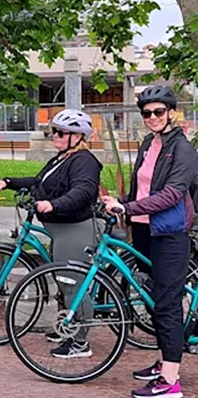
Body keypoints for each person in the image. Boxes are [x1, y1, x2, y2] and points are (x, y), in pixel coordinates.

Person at [103, 86, 196, 398]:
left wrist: (127, 208)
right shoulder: (148, 143)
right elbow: (143, 190)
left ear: (171, 112)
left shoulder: (183, 149)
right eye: (147, 113)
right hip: (143, 231)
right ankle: (163, 361)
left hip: (169, 234)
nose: (152, 117)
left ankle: (171, 383)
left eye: (158, 111)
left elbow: (170, 195)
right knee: (152, 298)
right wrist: (121, 201)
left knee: (168, 304)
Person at [0, 109, 102, 358]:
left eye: (62, 133)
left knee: (74, 284)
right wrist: (9, 182)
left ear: (78, 136)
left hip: (75, 228)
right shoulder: (63, 157)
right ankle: (68, 327)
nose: (56, 136)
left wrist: (54, 204)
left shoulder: (84, 161)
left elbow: (83, 191)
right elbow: (39, 181)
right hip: (60, 229)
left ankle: (80, 343)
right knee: (63, 280)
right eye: (54, 131)